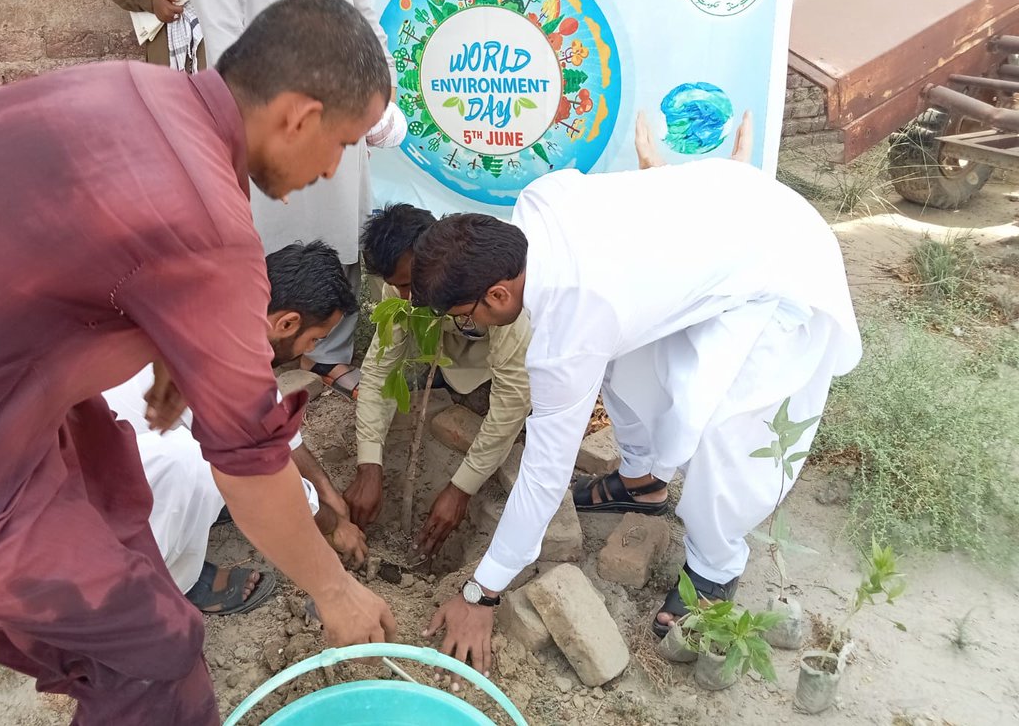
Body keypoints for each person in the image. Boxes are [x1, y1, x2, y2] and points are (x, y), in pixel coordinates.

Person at [0, 0, 395, 725]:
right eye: (343, 144)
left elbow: (89, 243)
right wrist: (334, 591)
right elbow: (249, 462)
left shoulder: (134, 87)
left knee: (110, 490)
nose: (333, 168)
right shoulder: (207, 225)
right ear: (300, 116)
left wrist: (169, 343)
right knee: (154, 652)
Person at [411, 158, 861, 674]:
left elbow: (544, 473)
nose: (472, 328)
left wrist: (481, 591)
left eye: (468, 319)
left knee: (729, 430)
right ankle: (643, 481)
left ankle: (715, 568)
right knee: (625, 362)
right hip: (726, 224)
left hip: (782, 261)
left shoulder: (572, 327)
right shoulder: (534, 210)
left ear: (497, 293)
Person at [182, 0, 405, 400]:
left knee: (342, 226)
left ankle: (329, 350)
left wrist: (379, 91)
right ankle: (262, 351)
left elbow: (360, 6)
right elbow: (230, 41)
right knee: (271, 233)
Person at [104, 241, 368, 615]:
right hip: (92, 486)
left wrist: (329, 493)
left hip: (104, 437)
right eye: (315, 339)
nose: (315, 348)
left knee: (211, 462)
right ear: (287, 323)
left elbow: (276, 429)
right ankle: (164, 582)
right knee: (195, 464)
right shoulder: (225, 364)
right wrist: (332, 526)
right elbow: (267, 469)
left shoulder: (228, 311)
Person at [342, 204, 532, 560]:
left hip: (504, 368)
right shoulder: (401, 294)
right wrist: (369, 465)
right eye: (394, 286)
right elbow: (379, 371)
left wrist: (461, 489)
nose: (403, 298)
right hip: (447, 363)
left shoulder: (500, 294)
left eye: (408, 285)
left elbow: (512, 401)